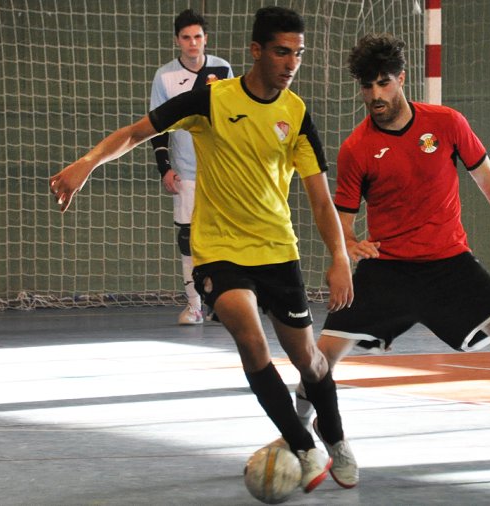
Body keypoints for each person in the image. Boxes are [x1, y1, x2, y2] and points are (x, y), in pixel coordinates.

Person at [50, 6, 358, 493]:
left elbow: (320, 198)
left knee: (309, 360)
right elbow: (137, 132)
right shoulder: (211, 100)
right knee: (250, 338)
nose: (291, 63)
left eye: (298, 53)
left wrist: (340, 257)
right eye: (281, 52)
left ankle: (335, 436)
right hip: (217, 249)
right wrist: (85, 165)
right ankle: (303, 445)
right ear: (256, 51)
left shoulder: (295, 114)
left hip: (277, 250)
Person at [295, 33, 490, 480]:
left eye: (383, 84)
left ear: (401, 79)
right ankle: (297, 441)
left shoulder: (447, 123)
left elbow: (488, 181)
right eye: (367, 86)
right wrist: (351, 245)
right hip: (387, 269)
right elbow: (345, 219)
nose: (375, 95)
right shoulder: (357, 148)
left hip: (450, 264)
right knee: (320, 356)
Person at [149, 9, 233, 325]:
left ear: (205, 38)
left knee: (223, 237)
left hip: (221, 170)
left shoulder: (223, 69)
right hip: (186, 172)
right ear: (177, 40)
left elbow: (233, 117)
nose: (192, 43)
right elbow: (158, 127)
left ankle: (223, 303)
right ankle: (194, 305)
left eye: (197, 36)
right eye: (186, 37)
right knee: (188, 238)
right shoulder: (164, 76)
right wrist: (165, 168)